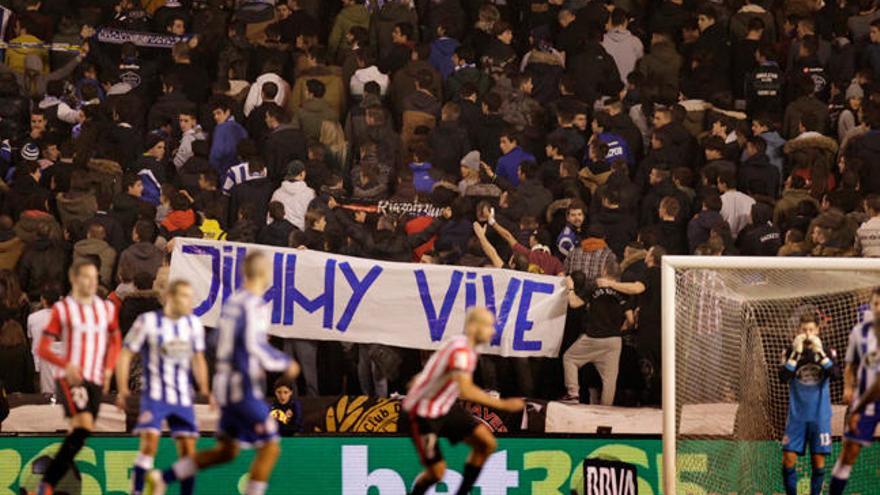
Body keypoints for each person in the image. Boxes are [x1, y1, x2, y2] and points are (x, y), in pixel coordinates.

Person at [147, 251, 300, 495]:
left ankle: (164, 477)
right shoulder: (254, 304)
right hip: (243, 389)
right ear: (262, 273)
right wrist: (284, 362)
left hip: (226, 387)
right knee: (271, 446)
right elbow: (254, 345)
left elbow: (215, 342)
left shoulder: (232, 303)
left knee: (227, 452)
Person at [403, 307, 525, 495]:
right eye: (489, 326)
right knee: (437, 473)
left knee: (487, 444)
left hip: (445, 406)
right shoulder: (461, 350)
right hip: (421, 413)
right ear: (475, 327)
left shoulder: (462, 346)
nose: (493, 331)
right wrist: (504, 405)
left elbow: (431, 372)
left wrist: (419, 382)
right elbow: (466, 390)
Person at [32, 259, 121, 495]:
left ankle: (54, 482)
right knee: (80, 429)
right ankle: (47, 484)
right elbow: (43, 348)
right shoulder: (63, 311)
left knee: (82, 432)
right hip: (71, 379)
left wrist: (109, 369)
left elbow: (115, 343)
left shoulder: (107, 310)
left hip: (94, 379)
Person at [115, 279, 211, 495]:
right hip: (155, 394)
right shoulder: (147, 322)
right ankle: (138, 491)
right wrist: (122, 389)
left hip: (182, 396)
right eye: (185, 297)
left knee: (188, 449)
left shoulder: (193, 324)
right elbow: (125, 354)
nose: (190, 302)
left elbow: (198, 358)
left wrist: (205, 388)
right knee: (149, 445)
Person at [779, 312, 837, 495]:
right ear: (798, 331)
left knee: (818, 462)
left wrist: (820, 353)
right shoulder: (789, 351)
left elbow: (835, 375)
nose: (808, 334)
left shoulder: (827, 351)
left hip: (820, 416)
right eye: (804, 330)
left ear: (818, 330)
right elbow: (783, 377)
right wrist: (796, 353)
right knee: (788, 459)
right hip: (796, 417)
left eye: (811, 330)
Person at [561, 258, 633, 405]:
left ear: (604, 271)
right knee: (609, 381)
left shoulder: (594, 286)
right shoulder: (622, 290)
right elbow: (631, 319)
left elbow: (574, 303)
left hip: (593, 338)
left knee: (569, 358)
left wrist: (570, 288)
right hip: (614, 341)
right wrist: (622, 329)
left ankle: (573, 394)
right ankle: (606, 411)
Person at [831, 288, 880, 494]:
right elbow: (850, 366)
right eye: (875, 304)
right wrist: (848, 387)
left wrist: (856, 410)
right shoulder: (859, 333)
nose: (879, 308)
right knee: (849, 453)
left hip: (867, 400)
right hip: (866, 400)